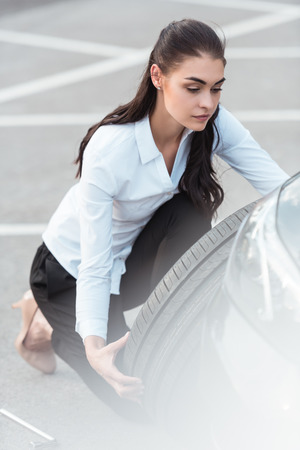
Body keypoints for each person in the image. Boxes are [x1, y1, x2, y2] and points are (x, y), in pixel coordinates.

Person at [13, 19, 289, 419]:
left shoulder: (211, 123)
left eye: (216, 88)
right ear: (157, 77)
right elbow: (94, 263)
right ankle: (45, 323)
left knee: (189, 210)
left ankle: (178, 339)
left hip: (129, 264)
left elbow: (277, 186)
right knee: (145, 404)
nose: (207, 103)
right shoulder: (111, 148)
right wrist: (93, 347)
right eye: (193, 88)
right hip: (69, 273)